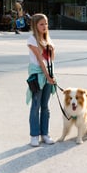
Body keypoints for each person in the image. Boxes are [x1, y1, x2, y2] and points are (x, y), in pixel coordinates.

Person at [26, 13, 56, 147]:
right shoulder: (32, 40)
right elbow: (40, 60)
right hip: (38, 76)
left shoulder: (48, 39)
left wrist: (51, 76)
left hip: (49, 74)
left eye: (46, 23)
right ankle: (34, 135)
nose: (44, 26)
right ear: (35, 25)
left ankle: (45, 134)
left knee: (45, 107)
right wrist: (48, 77)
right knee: (35, 106)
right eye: (41, 24)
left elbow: (51, 60)